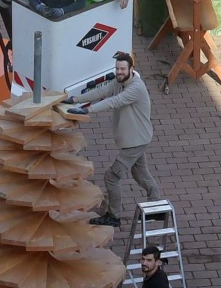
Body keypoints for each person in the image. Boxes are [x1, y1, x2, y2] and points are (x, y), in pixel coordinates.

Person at [65, 52, 160, 227]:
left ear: (131, 69)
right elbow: (102, 92)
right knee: (140, 173)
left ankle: (114, 216)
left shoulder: (135, 88)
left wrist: (87, 111)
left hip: (136, 142)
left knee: (111, 176)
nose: (119, 72)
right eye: (117, 68)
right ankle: (157, 207)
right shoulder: (119, 82)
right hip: (135, 140)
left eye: (123, 69)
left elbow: (114, 101)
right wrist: (76, 100)